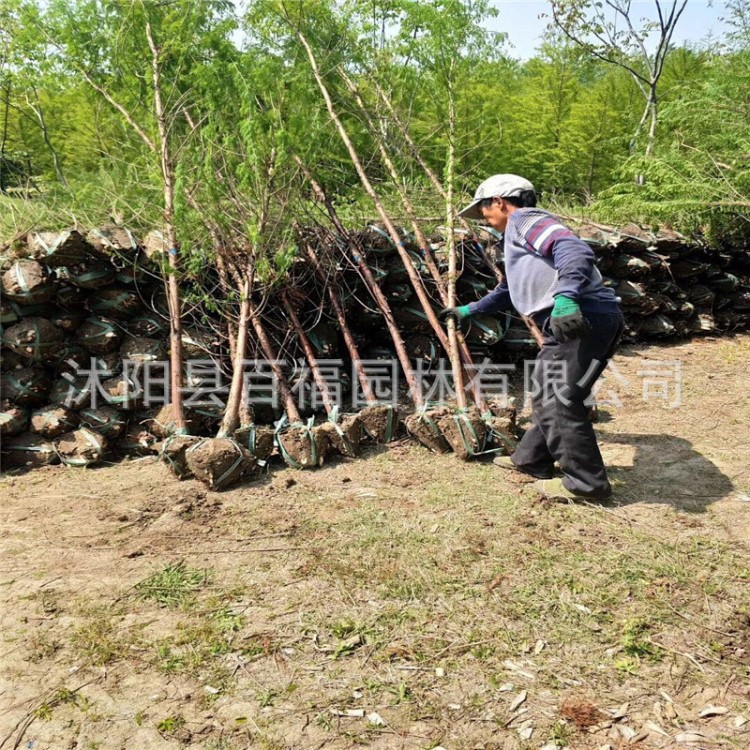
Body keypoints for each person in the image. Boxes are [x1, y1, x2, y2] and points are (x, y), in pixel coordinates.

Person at [440, 174, 624, 501]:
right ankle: (532, 459)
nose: (484, 217)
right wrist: (470, 310)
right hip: (593, 317)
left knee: (554, 396)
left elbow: (573, 249)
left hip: (578, 317)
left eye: (484, 208)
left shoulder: (525, 219)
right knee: (555, 392)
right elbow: (510, 289)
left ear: (499, 201)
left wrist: (566, 297)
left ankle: (586, 484)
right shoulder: (516, 238)